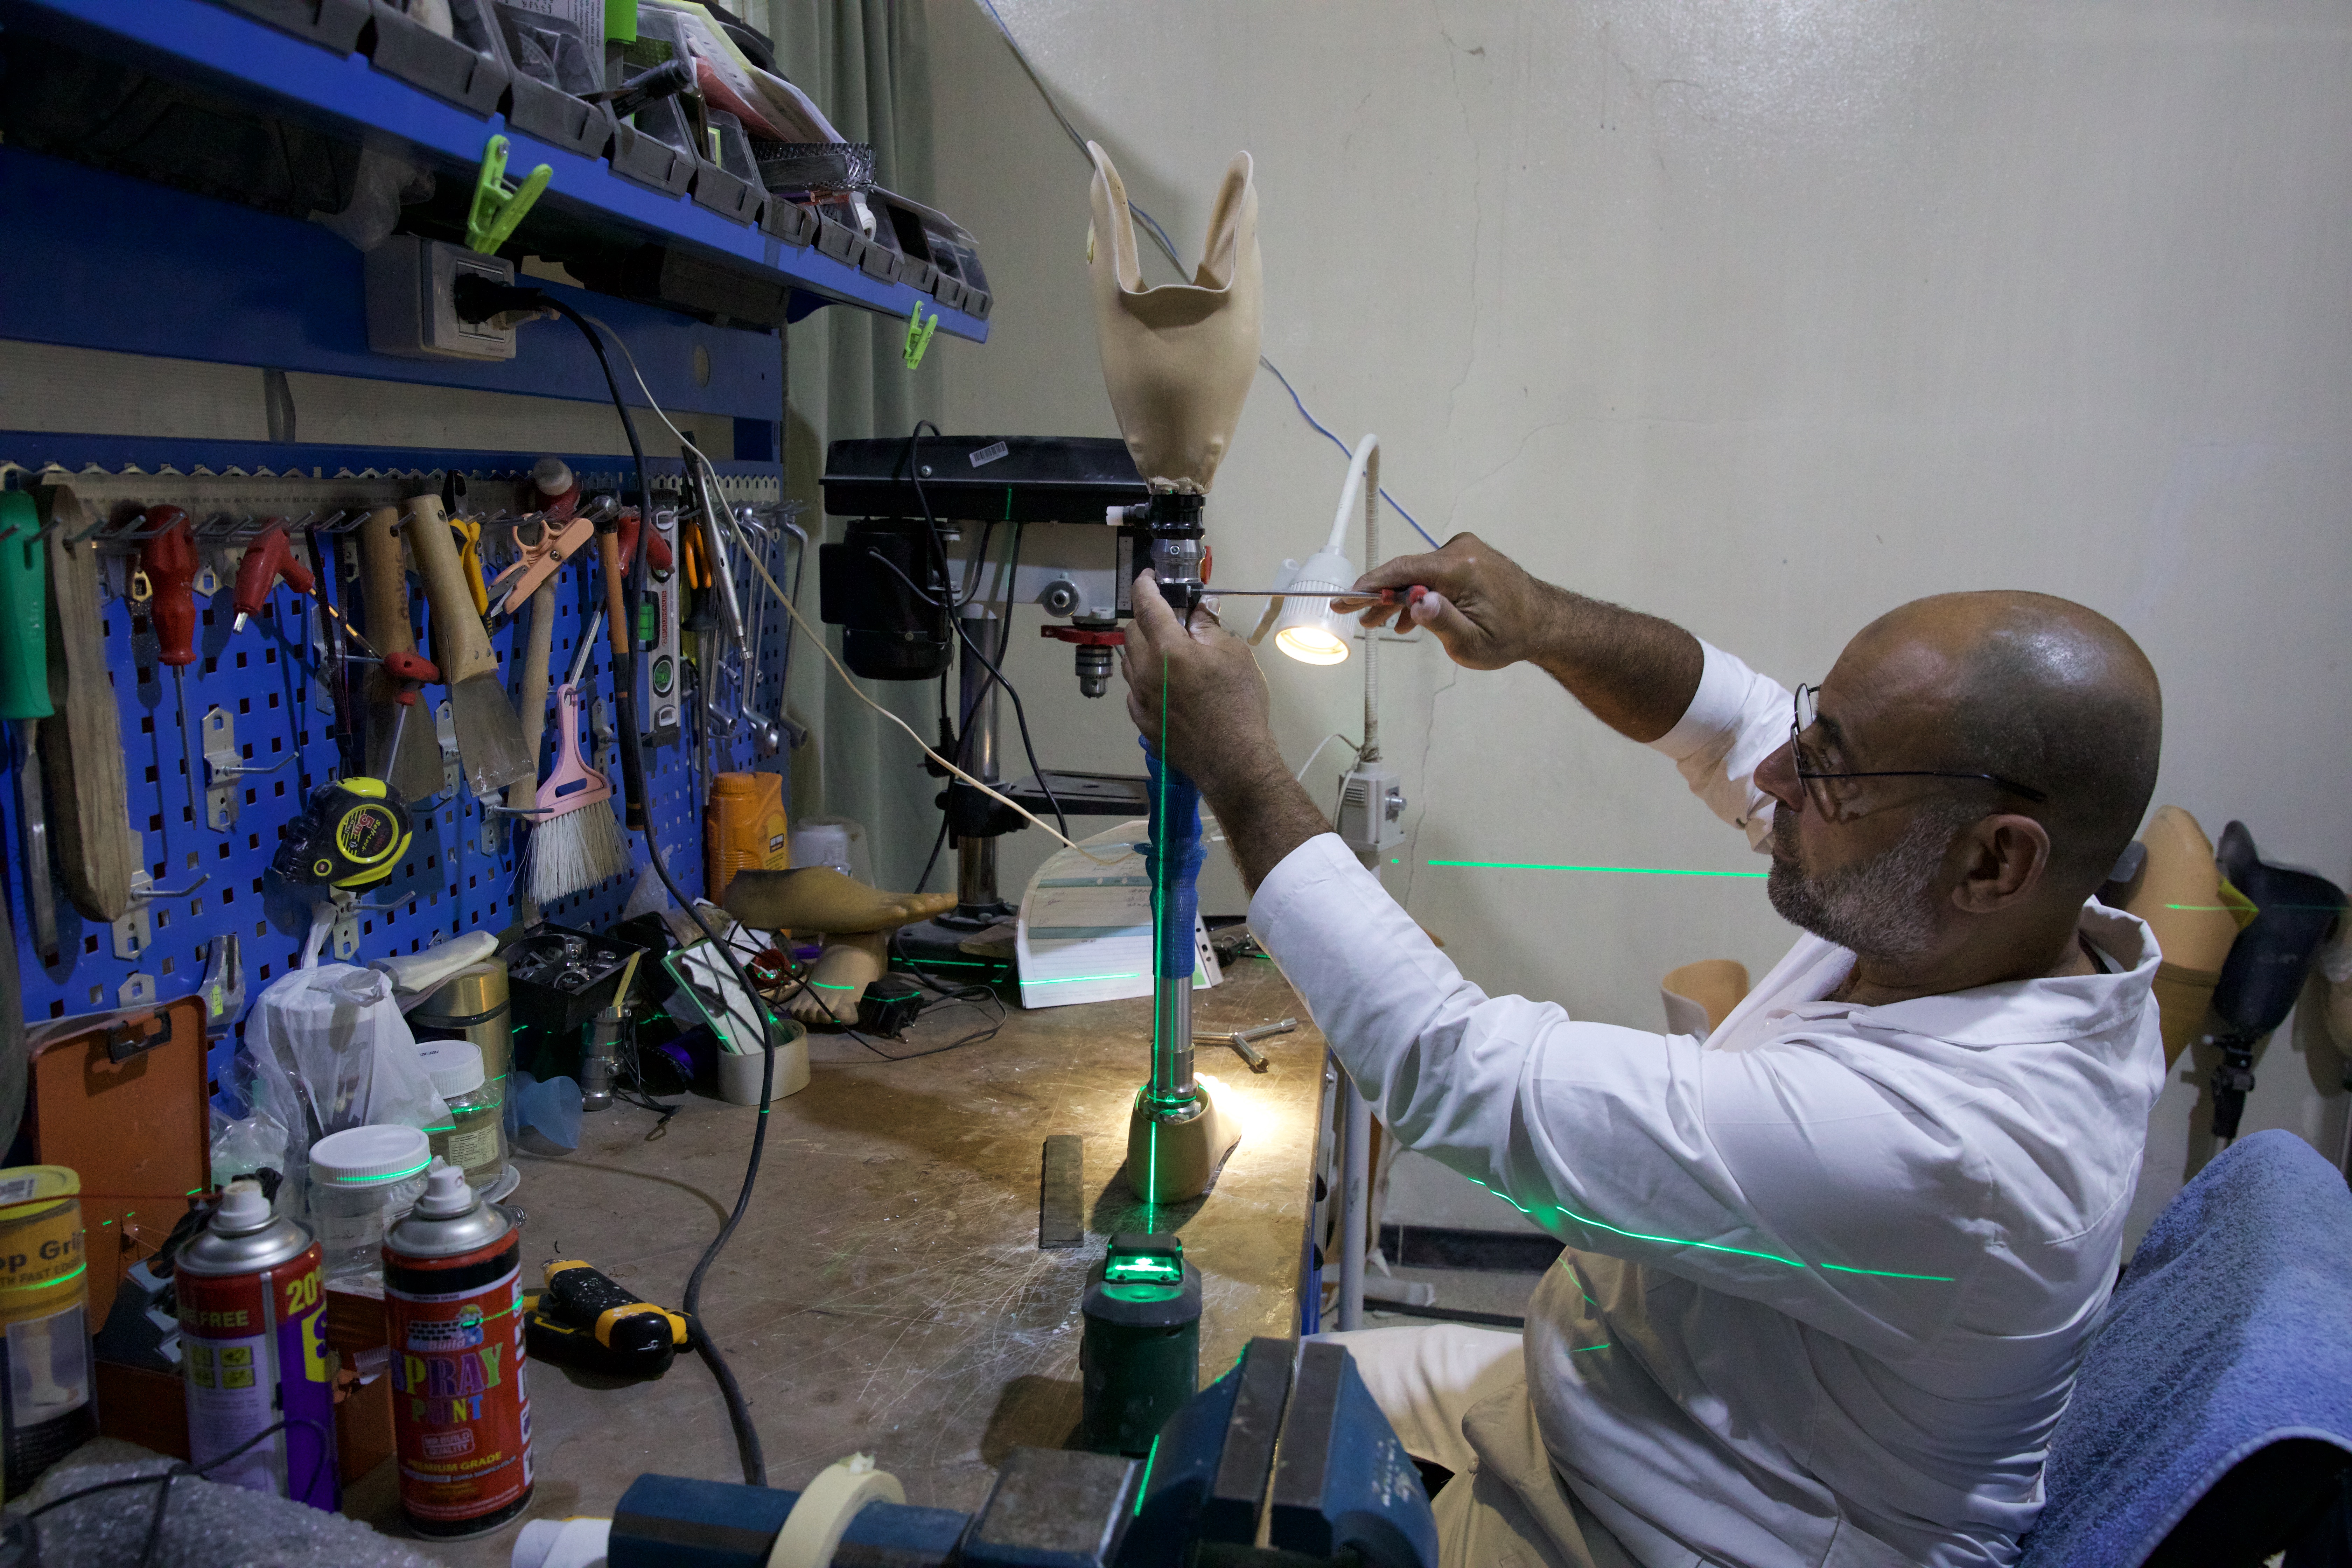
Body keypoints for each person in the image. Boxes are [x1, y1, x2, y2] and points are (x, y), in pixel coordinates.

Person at [1119, 536, 2168, 1568]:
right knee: (1240, 1417)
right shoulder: (1967, 919)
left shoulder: (1956, 1150)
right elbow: (1732, 723)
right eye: (1815, 726)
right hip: (1598, 1404)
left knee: (1211, 1523)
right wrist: (1540, 621)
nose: (1775, 772)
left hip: (1659, 1531)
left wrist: (1238, 763)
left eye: (1830, 767)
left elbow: (1457, 1074)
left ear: (1995, 859)